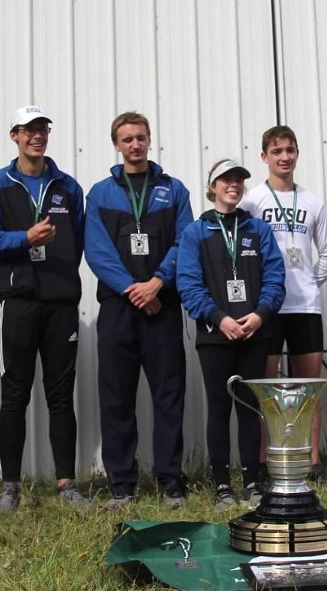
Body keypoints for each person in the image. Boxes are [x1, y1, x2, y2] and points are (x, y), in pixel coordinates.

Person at [0, 106, 91, 511]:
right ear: (14, 136)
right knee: (15, 394)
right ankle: (9, 488)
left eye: (42, 129)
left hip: (60, 304)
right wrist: (25, 238)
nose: (37, 136)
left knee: (61, 396)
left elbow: (78, 242)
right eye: (28, 130)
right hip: (20, 302)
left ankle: (67, 485)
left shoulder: (67, 187)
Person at [85, 112, 194, 509]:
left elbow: (186, 242)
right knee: (116, 397)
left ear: (150, 141)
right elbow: (96, 250)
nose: (135, 145)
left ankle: (170, 481)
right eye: (127, 139)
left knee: (169, 394)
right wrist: (132, 288)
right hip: (118, 308)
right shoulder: (100, 193)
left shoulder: (174, 190)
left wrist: (158, 282)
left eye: (141, 138)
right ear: (117, 144)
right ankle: (122, 484)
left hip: (162, 305)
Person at [176, 159, 285, 509]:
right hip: (215, 335)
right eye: (226, 180)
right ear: (213, 187)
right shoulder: (195, 232)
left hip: (254, 331)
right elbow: (188, 283)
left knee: (251, 408)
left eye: (238, 179)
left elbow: (275, 276)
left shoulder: (257, 229)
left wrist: (260, 315)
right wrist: (218, 318)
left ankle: (253, 480)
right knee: (219, 408)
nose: (233, 185)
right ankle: (222, 485)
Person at [240, 126, 327, 483]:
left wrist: (308, 281)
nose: (284, 157)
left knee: (308, 388)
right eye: (277, 150)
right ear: (264, 156)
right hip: (266, 310)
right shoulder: (251, 201)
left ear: (297, 154)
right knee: (266, 389)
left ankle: (313, 462)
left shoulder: (312, 202)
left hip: (304, 308)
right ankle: (265, 461)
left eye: (290, 150)